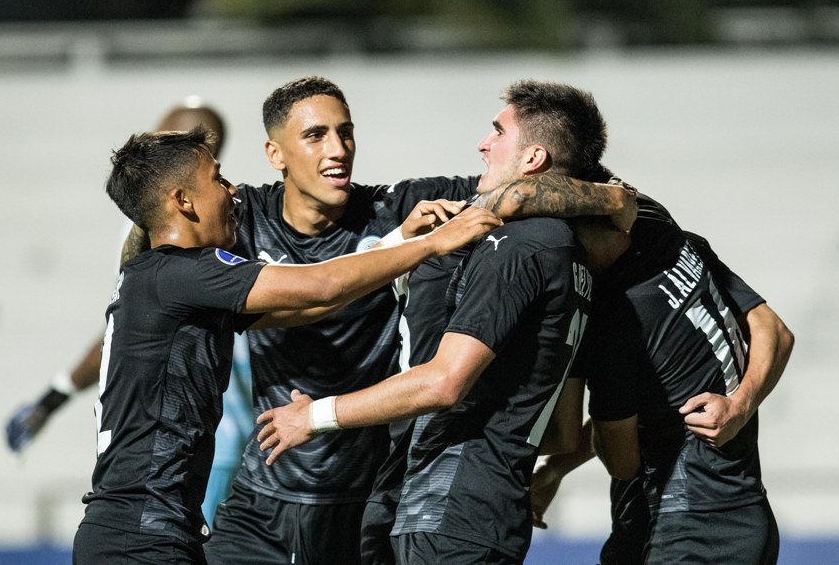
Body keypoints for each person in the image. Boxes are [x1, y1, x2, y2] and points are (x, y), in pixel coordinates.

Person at [201, 77, 636, 565]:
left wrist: (613, 199)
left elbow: (529, 186)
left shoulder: (398, 207)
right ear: (275, 154)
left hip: (365, 502)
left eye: (346, 132)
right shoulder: (242, 218)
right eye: (316, 135)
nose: (338, 149)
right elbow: (162, 244)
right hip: (265, 493)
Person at [71, 127, 501, 564]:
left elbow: (306, 309)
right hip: (142, 538)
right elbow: (319, 285)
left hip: (142, 531)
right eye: (217, 179)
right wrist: (431, 245)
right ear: (183, 201)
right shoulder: (185, 272)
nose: (231, 190)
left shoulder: (163, 282)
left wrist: (397, 241)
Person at [3, 98, 256, 525]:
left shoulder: (167, 226)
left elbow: (128, 328)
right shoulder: (230, 217)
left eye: (163, 137)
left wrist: (52, 398)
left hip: (186, 445)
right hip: (219, 438)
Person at [533, 195, 794, 564]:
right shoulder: (681, 249)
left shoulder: (614, 321)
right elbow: (775, 330)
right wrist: (740, 404)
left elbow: (621, 458)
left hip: (692, 530)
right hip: (728, 516)